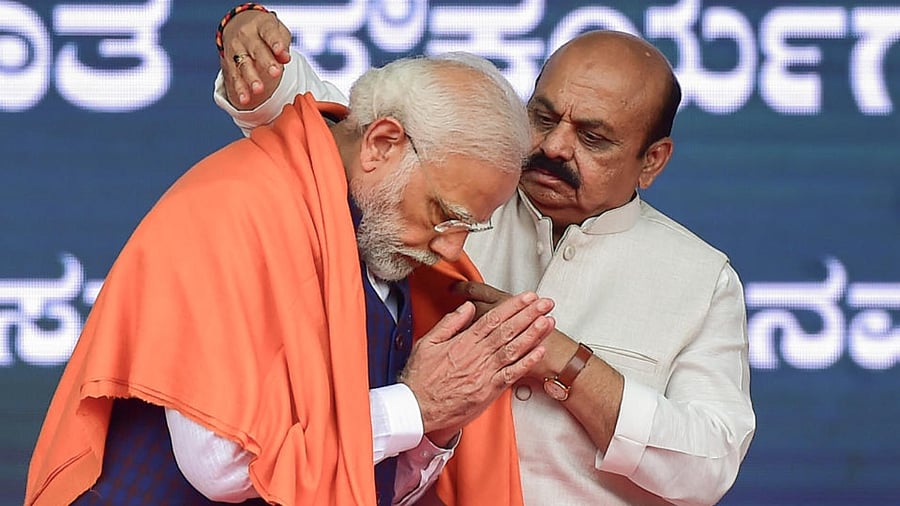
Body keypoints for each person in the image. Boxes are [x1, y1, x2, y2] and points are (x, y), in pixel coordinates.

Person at [214, 8, 757, 506]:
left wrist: (563, 360)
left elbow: (706, 466)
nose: (554, 147)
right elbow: (343, 132)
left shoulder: (700, 279)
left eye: (593, 138)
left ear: (651, 161)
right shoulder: (450, 186)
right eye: (543, 118)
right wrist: (253, 48)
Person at [25, 52, 559, 506]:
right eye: (444, 214)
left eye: (467, 227)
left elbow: (356, 485)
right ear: (382, 144)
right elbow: (224, 463)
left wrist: (435, 425)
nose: (451, 248)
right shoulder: (235, 209)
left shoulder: (382, 236)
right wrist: (412, 406)